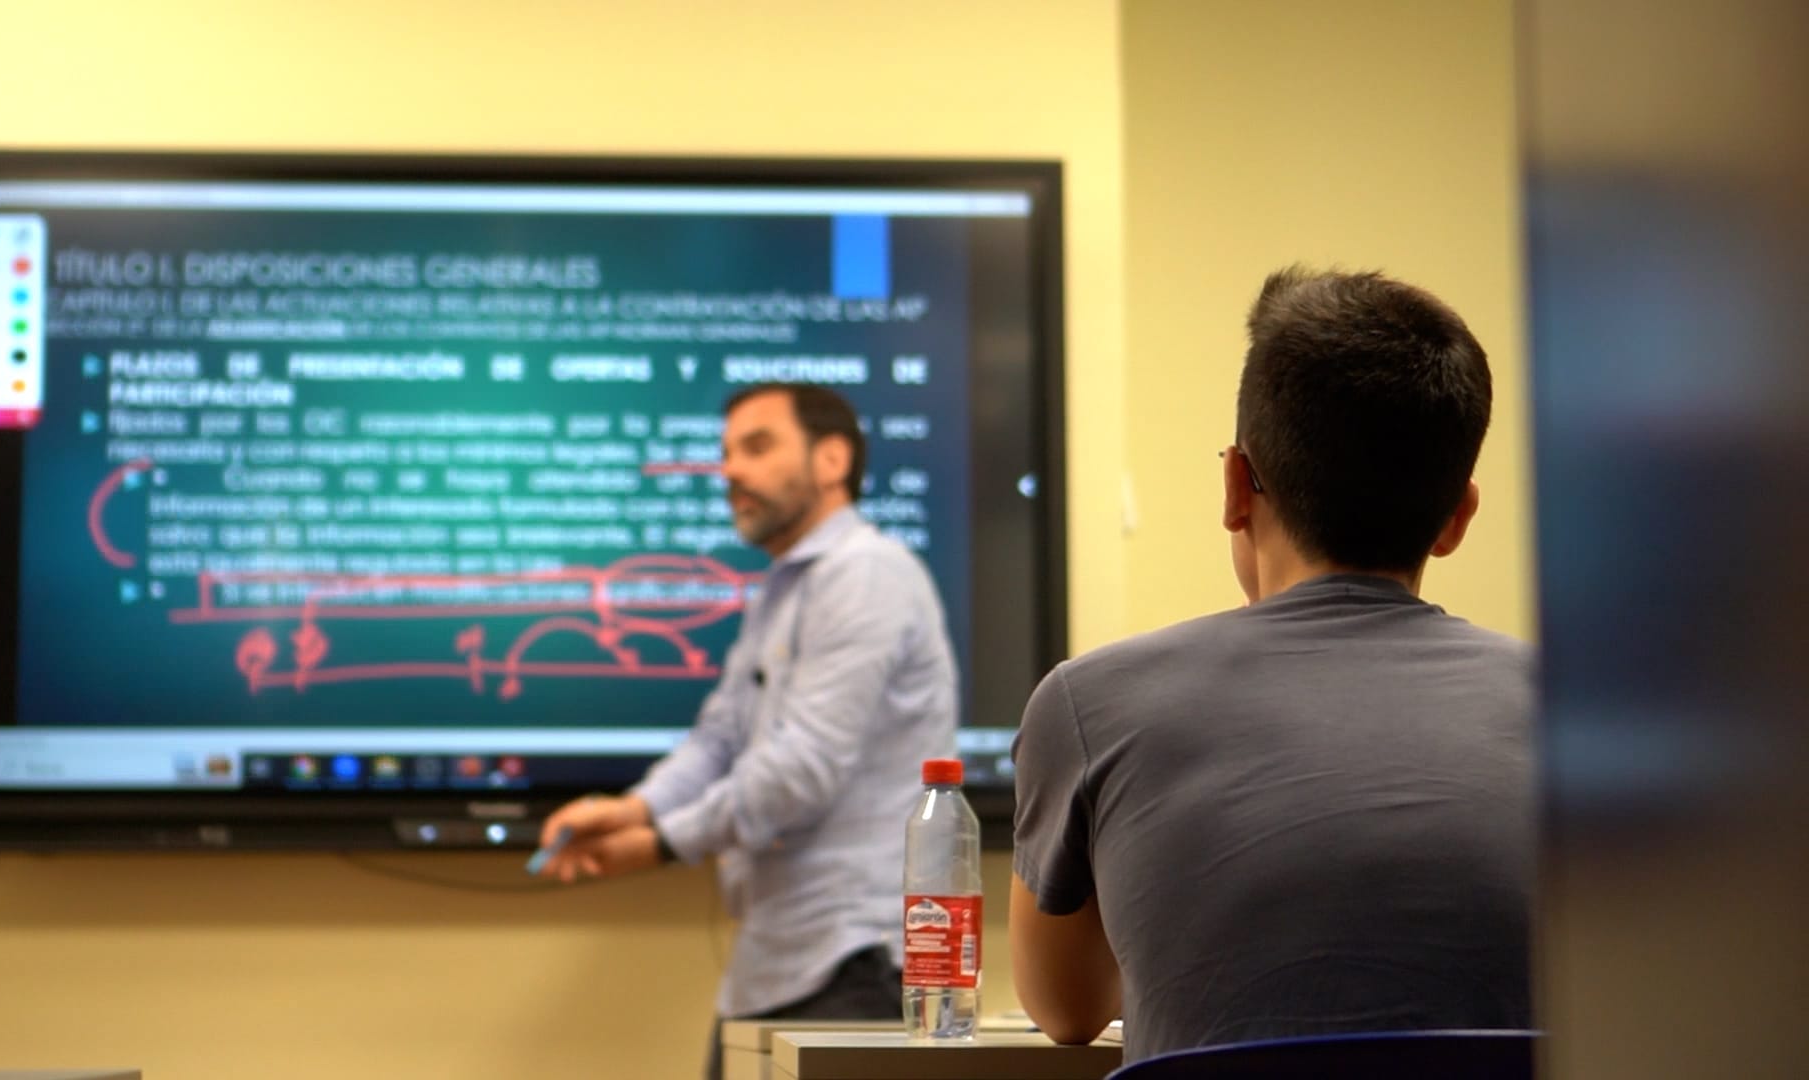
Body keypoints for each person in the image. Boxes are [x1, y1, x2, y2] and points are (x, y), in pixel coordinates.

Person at [1010, 267, 1535, 1063]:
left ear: (1234, 486)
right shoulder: (1579, 715)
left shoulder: (1090, 704)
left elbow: (1065, 1008)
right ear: (1457, 517)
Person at [535, 381, 958, 1079]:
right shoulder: (783, 590)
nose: (730, 471)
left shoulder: (867, 575)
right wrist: (633, 809)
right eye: (726, 452)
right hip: (780, 962)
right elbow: (718, 741)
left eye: (757, 447)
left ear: (831, 460)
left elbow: (803, 767)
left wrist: (663, 842)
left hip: (851, 964)